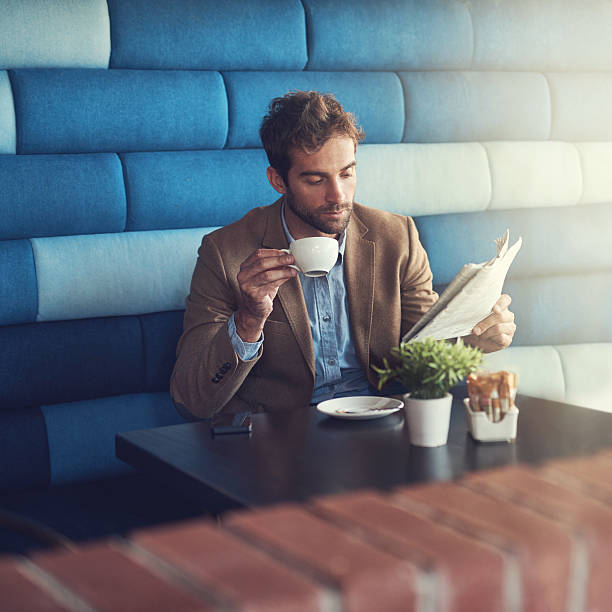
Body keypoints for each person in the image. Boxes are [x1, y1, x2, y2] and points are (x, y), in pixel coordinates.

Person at [171, 91, 516, 420]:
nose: (338, 195)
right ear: (278, 180)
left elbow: (423, 350)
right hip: (280, 438)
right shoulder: (225, 252)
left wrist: (473, 340)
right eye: (315, 180)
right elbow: (191, 400)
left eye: (346, 173)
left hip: (381, 422)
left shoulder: (397, 237)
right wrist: (248, 319)